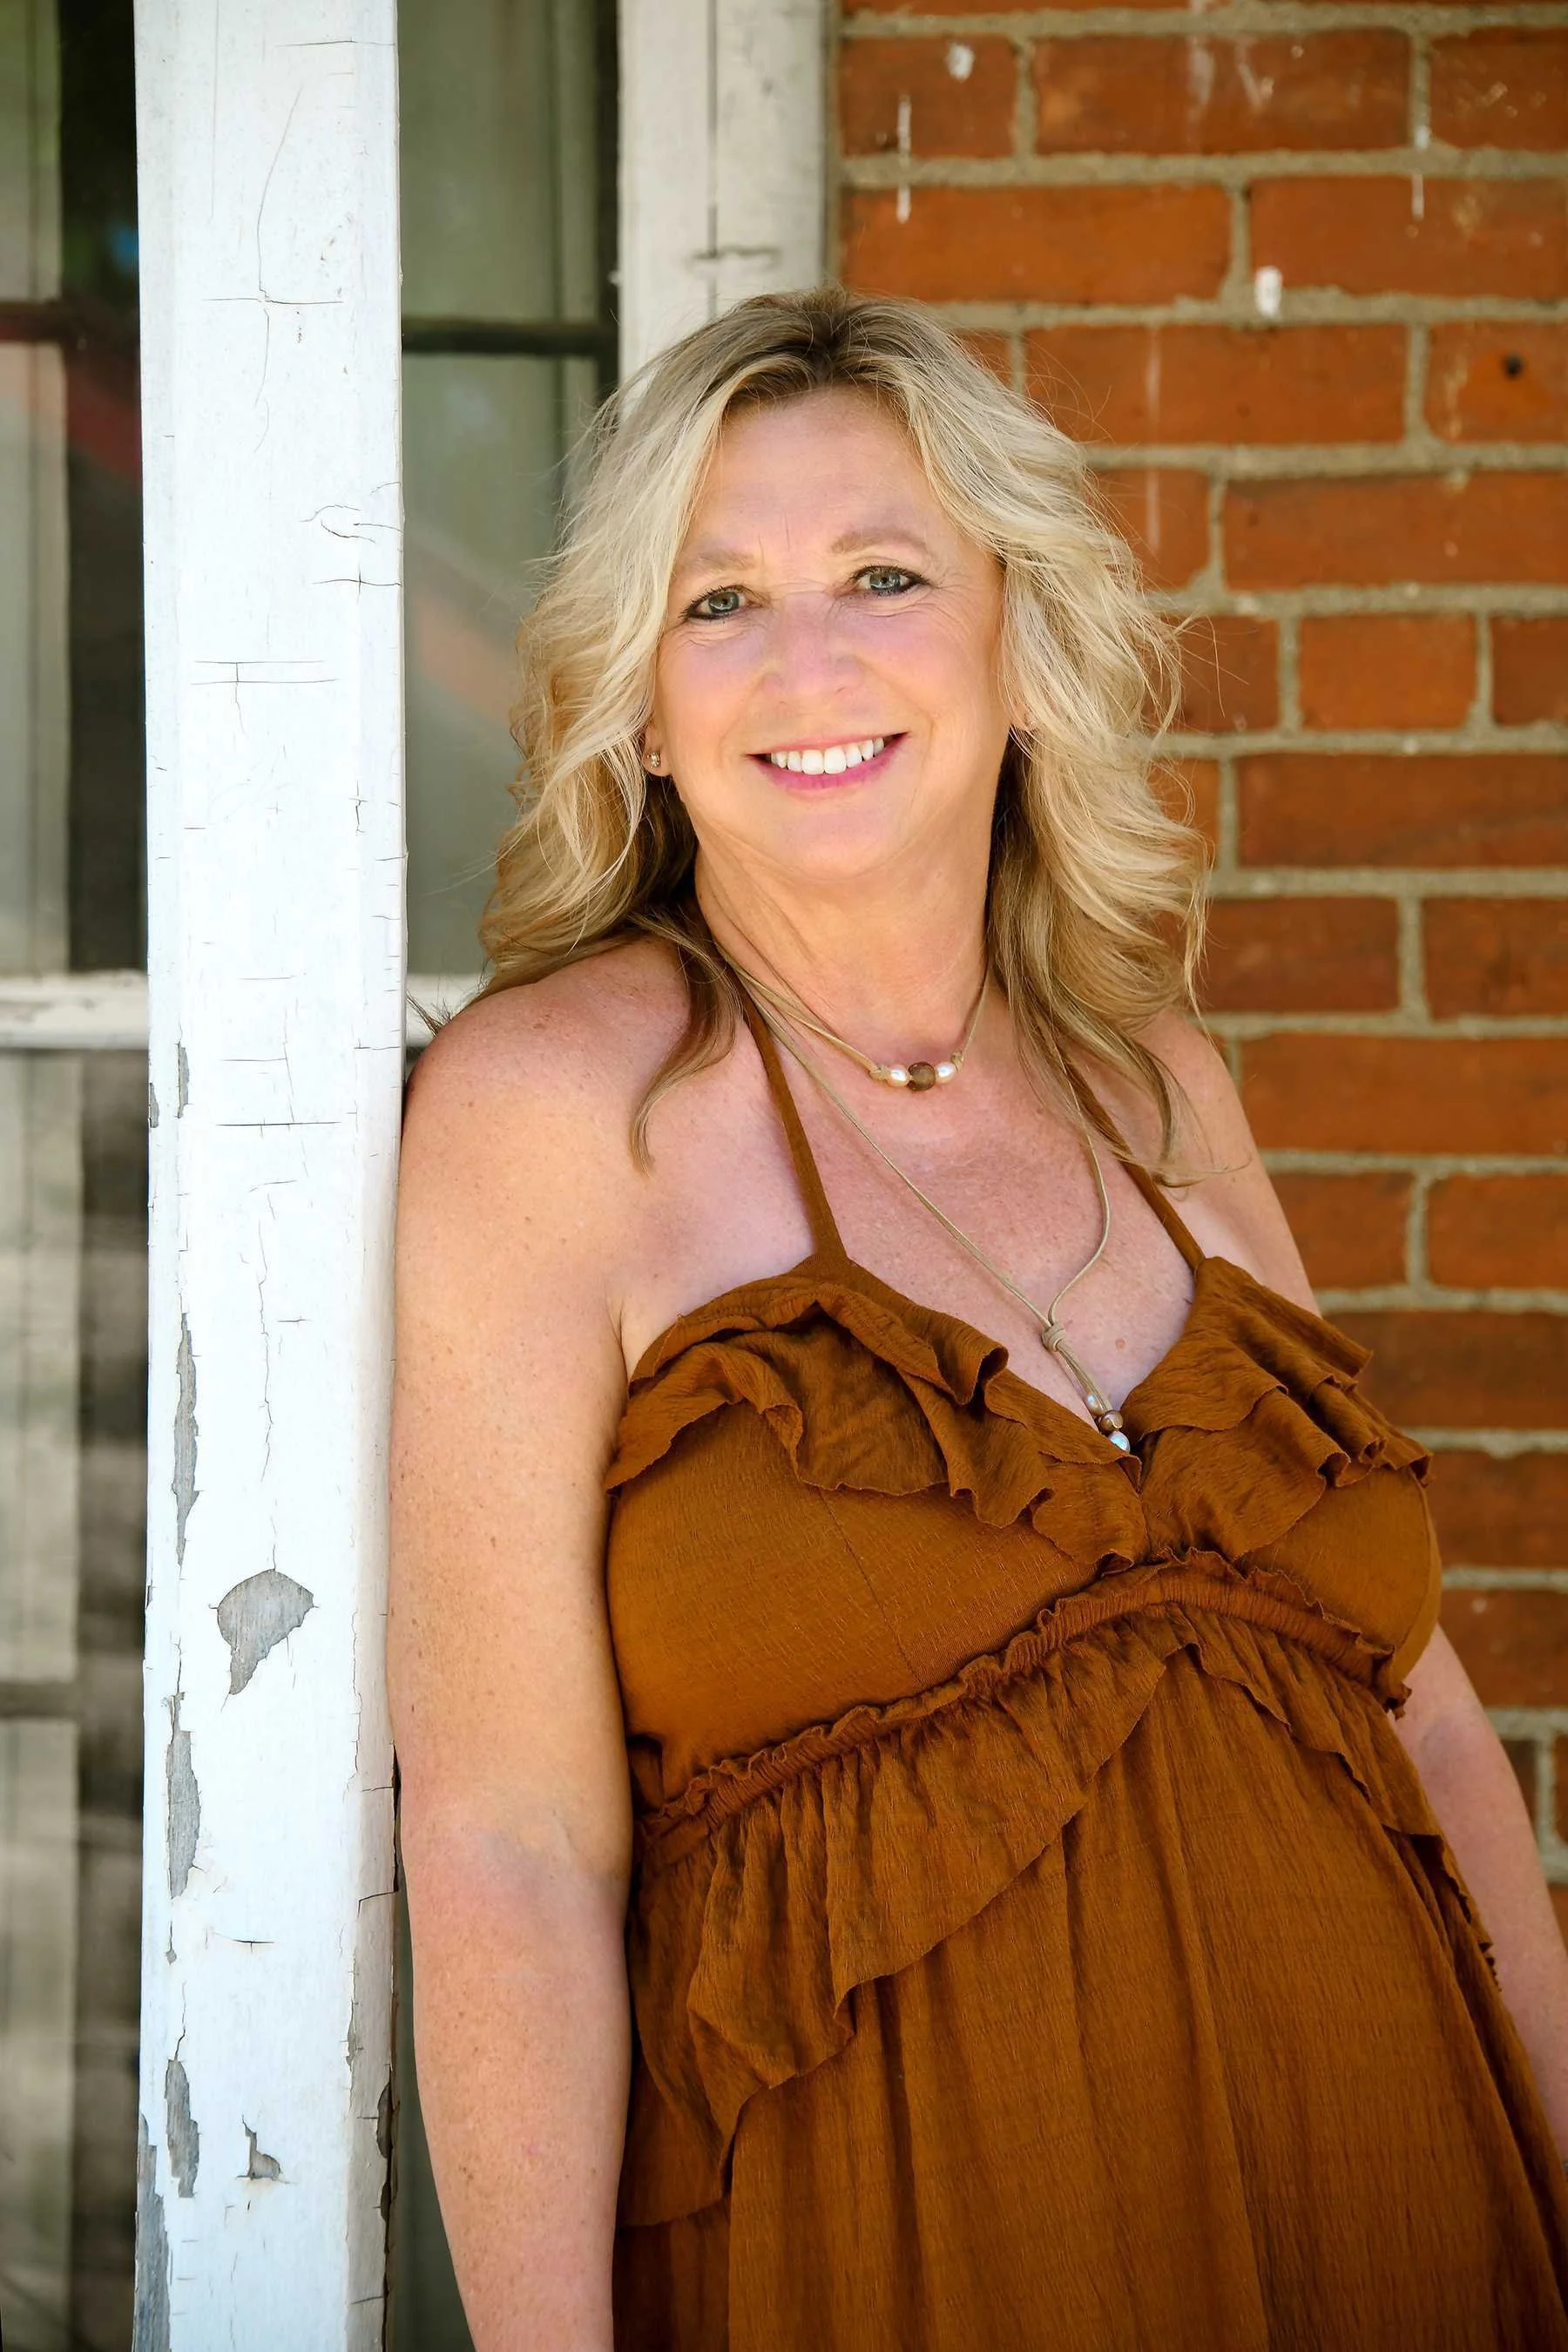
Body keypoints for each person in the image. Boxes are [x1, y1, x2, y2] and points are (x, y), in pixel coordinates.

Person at [388, 287, 1568, 2350]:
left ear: (1019, 645)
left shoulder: (1156, 1083)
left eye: (880, 575)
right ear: (640, 707)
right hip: (898, 2260)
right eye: (718, 601)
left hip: (1410, 2223)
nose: (807, 658)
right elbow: (507, 1850)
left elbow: (1432, 1720)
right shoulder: (552, 1115)